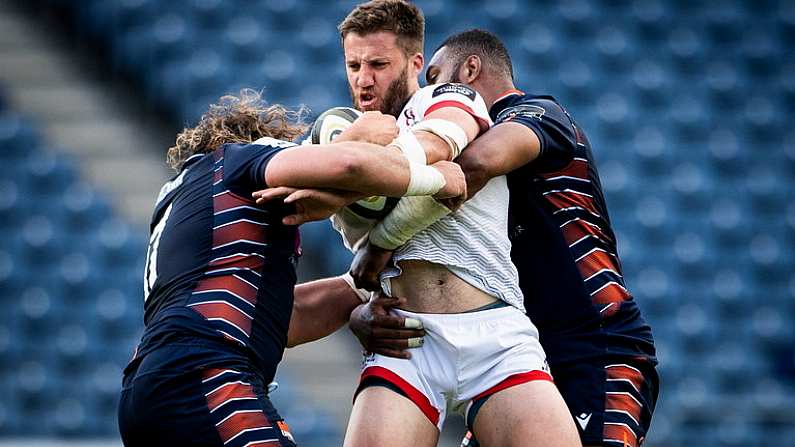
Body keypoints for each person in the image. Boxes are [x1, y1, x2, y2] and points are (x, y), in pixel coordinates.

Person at [259, 2, 581, 447]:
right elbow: (361, 255)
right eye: (353, 65)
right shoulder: (341, 136)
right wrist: (358, 300)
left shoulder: (446, 98)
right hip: (405, 341)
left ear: (414, 63)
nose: (363, 78)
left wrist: (349, 180)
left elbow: (439, 144)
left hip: (493, 334)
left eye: (378, 64)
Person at [347, 30, 660, 447]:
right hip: (518, 347)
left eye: (436, 77)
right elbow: (433, 247)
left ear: (470, 69)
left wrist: (379, 242)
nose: (429, 96)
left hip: (596, 345)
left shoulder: (538, 113)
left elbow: (471, 168)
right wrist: (362, 304)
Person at [117, 89, 467, 447]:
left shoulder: (183, 204)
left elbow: (281, 318)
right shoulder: (236, 158)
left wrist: (362, 284)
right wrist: (430, 178)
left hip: (144, 393)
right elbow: (347, 164)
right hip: (204, 377)